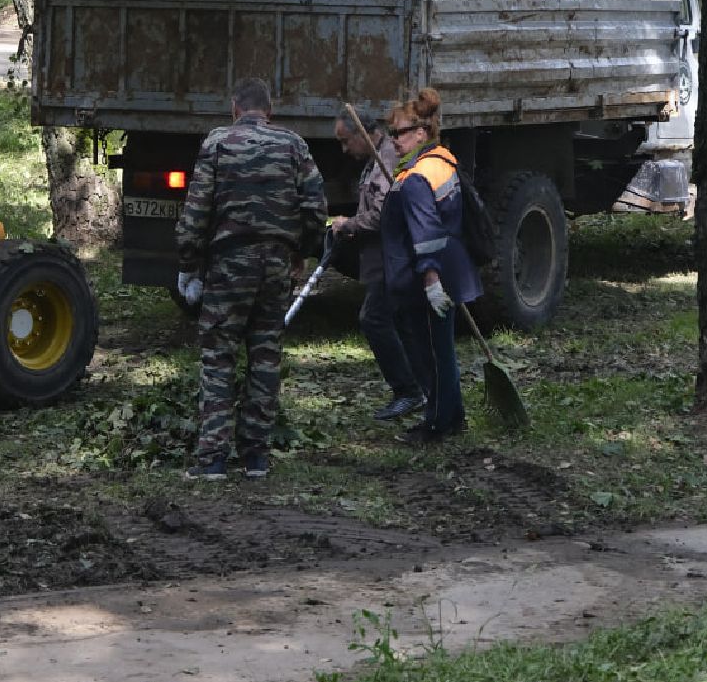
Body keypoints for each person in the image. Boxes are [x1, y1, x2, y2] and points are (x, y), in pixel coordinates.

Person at [176, 77, 328, 481]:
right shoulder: (294, 145)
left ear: (234, 109)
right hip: (276, 265)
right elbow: (315, 208)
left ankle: (212, 459)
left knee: (218, 357)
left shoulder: (217, 144)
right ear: (270, 111)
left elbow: (196, 212)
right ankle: (256, 457)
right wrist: (300, 253)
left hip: (229, 265)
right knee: (265, 356)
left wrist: (189, 264)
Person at [380, 88, 482, 445]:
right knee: (442, 351)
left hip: (425, 282)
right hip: (446, 272)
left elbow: (426, 233)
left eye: (399, 133)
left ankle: (438, 424)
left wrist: (430, 282)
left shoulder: (417, 178)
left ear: (420, 134)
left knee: (431, 356)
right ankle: (450, 416)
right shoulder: (442, 162)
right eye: (391, 133)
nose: (392, 140)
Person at [330, 108, 424, 422]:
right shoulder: (372, 160)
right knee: (401, 321)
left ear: (364, 134)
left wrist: (349, 224)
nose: (344, 150)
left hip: (392, 257)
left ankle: (408, 390)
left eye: (346, 142)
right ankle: (422, 386)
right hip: (381, 257)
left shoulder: (387, 161)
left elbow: (383, 215)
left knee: (374, 318)